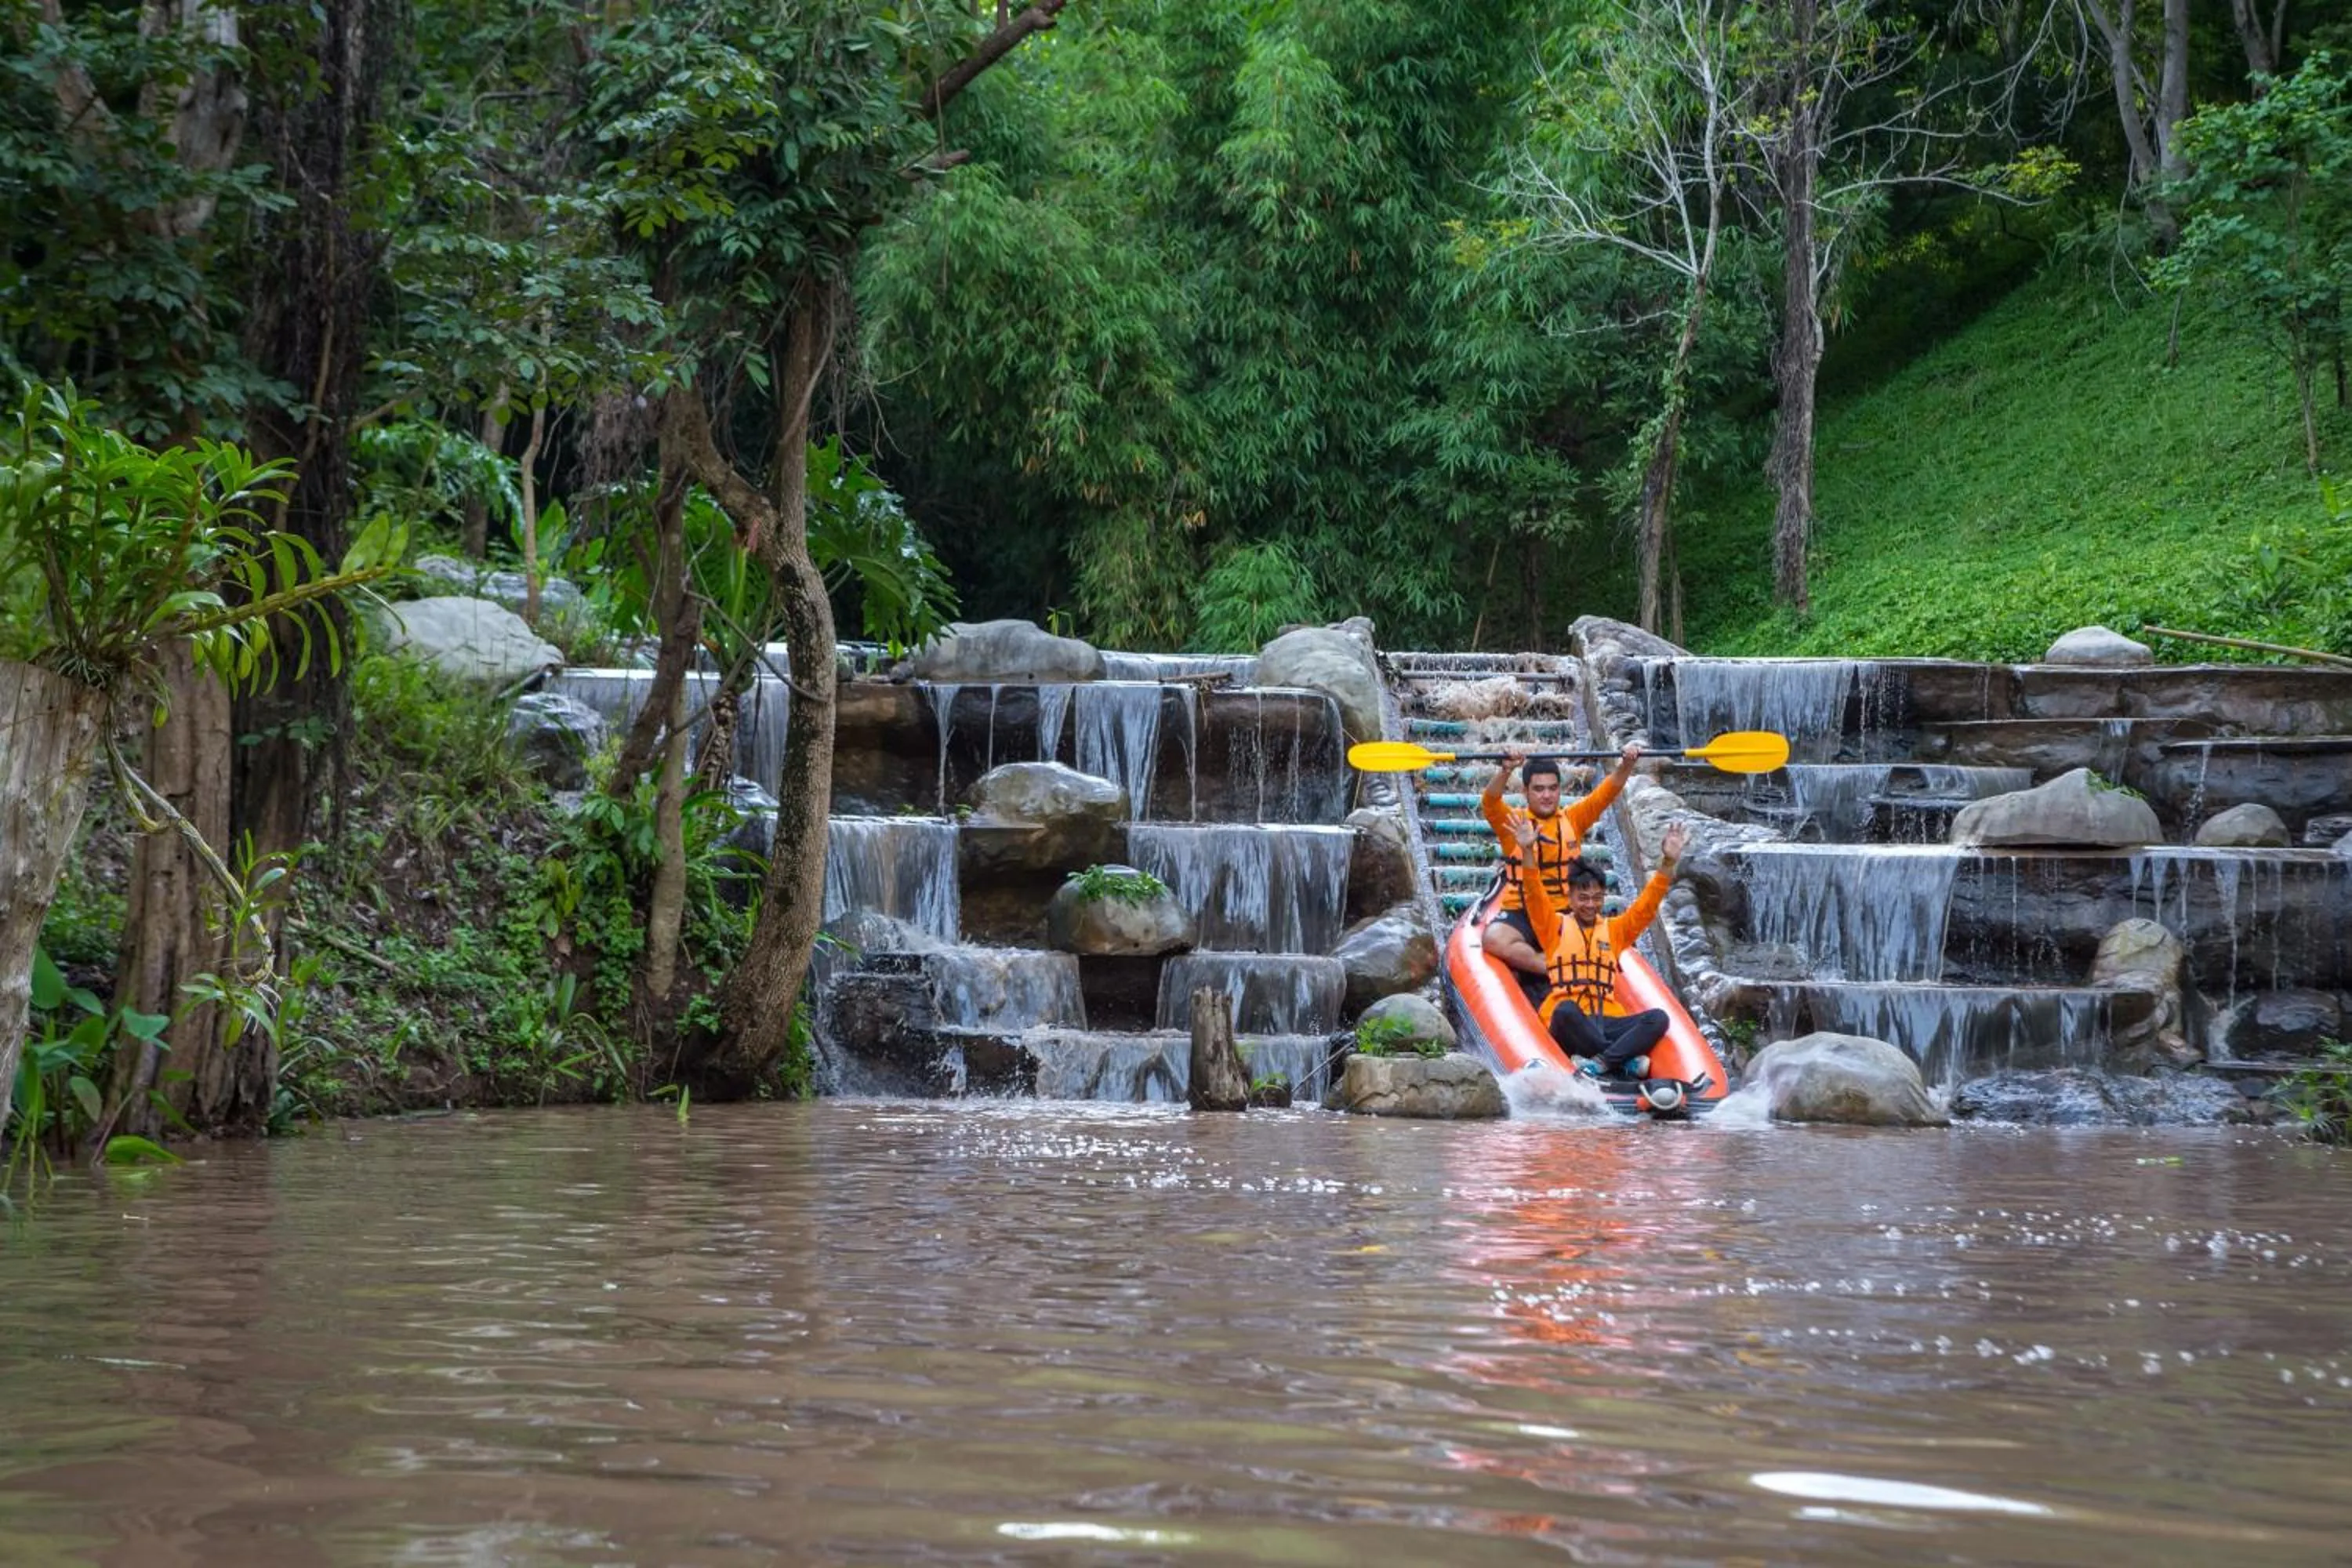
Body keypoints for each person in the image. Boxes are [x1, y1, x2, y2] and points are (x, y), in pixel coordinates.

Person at [1510, 815, 1690, 1080]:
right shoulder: (1553, 927)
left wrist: (1668, 863)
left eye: (1596, 898)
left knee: (1658, 1018)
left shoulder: (1616, 930)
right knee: (1565, 1011)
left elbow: (1646, 907)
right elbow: (1534, 894)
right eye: (1583, 898)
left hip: (1607, 1021)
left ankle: (1604, 1061)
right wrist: (1527, 850)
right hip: (1570, 1024)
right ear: (1570, 898)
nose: (1590, 905)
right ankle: (1622, 1060)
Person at [1480, 742, 1643, 996]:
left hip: (1563, 914)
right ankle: (1553, 966)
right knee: (1493, 938)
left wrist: (1627, 764)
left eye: (1553, 788)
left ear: (1560, 790)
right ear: (1526, 791)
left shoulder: (1574, 818)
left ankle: (1563, 962)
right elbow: (1490, 802)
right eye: (1539, 789)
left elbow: (1607, 792)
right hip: (1522, 910)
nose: (1547, 795)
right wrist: (1505, 771)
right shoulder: (1513, 822)